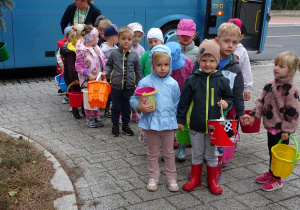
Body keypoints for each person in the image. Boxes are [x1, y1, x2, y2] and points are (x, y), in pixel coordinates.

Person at [177, 39, 233, 194]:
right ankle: (195, 179)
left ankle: (212, 180)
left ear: (217, 61)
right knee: (196, 153)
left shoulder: (222, 80)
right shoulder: (192, 79)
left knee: (212, 154)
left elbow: (230, 97)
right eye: (204, 60)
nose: (207, 64)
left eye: (212, 60)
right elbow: (184, 101)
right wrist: (180, 120)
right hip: (195, 125)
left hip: (215, 126)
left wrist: (226, 103)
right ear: (199, 60)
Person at [130, 44, 180, 192]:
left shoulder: (173, 83)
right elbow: (134, 99)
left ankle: (172, 178)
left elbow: (177, 102)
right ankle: (153, 177)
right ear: (152, 64)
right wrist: (140, 107)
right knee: (152, 152)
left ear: (170, 64)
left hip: (168, 123)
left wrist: (177, 120)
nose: (163, 68)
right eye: (159, 65)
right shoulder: (145, 82)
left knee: (169, 152)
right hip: (151, 123)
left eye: (166, 64)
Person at [249, 51, 300, 192]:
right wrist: (254, 115)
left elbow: (293, 112)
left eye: (281, 66)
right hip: (270, 126)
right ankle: (271, 173)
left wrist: (287, 130)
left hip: (281, 130)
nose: (276, 68)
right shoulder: (270, 84)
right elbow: (260, 100)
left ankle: (277, 179)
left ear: (292, 71)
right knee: (272, 152)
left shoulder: (291, 90)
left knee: (278, 156)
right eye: (275, 64)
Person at [214, 22, 250, 170]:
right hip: (212, 104)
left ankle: (224, 155)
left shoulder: (236, 66)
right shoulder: (210, 61)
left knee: (227, 128)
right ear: (217, 41)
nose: (230, 45)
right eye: (226, 41)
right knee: (212, 127)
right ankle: (211, 152)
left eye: (234, 42)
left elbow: (238, 92)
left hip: (231, 107)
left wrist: (241, 113)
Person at [101, 27, 142, 137]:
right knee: (115, 107)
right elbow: (109, 65)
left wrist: (139, 84)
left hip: (129, 87)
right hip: (115, 87)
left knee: (126, 108)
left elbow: (138, 70)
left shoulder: (134, 55)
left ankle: (125, 125)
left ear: (132, 40)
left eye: (129, 39)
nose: (126, 41)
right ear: (118, 39)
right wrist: (105, 72)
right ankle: (115, 125)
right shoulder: (114, 54)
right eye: (123, 38)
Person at [165, 41, 194, 162]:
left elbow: (194, 77)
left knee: (182, 123)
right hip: (169, 98)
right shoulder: (163, 64)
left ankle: (182, 147)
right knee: (168, 125)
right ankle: (169, 149)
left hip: (185, 98)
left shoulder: (188, 62)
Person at [75, 24, 106, 127]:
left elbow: (103, 59)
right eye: (97, 36)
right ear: (91, 38)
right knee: (89, 99)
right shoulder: (82, 51)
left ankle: (96, 116)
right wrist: (87, 74)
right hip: (87, 81)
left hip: (97, 79)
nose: (98, 38)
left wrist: (106, 68)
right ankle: (89, 118)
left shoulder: (96, 48)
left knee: (96, 98)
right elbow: (78, 66)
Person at [60, 24, 85, 119]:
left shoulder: (78, 47)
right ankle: (75, 110)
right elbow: (70, 67)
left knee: (82, 93)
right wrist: (73, 78)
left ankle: (83, 109)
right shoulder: (71, 50)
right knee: (75, 94)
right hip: (74, 77)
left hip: (81, 76)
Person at [227, 18, 253, 102]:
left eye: (234, 34)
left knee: (233, 110)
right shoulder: (220, 47)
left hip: (235, 88)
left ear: (241, 37)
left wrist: (247, 88)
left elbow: (246, 70)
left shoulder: (242, 51)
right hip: (220, 87)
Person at [100, 24, 119, 118]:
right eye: (117, 36)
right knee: (108, 94)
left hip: (115, 75)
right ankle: (107, 109)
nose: (118, 38)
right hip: (107, 75)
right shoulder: (104, 50)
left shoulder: (115, 47)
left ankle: (111, 108)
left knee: (113, 93)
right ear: (112, 37)